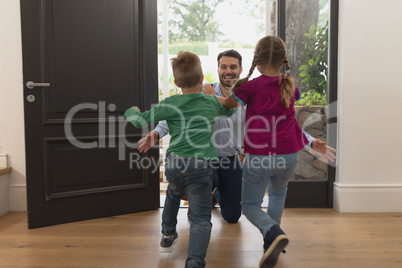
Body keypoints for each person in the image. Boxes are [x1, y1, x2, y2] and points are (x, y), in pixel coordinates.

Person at [138, 49, 336, 226]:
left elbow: (282, 123)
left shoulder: (250, 95)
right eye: (223, 67)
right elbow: (175, 114)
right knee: (196, 180)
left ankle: (216, 194)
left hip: (231, 159)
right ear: (217, 70)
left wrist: (310, 141)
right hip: (204, 158)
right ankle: (201, 199)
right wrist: (156, 132)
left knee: (232, 216)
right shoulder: (202, 90)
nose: (228, 71)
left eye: (233, 67)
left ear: (241, 69)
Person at [216, 36, 336, 268]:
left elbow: (227, 104)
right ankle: (269, 243)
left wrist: (212, 97)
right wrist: (310, 143)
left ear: (256, 61)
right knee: (278, 195)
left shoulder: (250, 87)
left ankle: (272, 232)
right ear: (283, 60)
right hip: (288, 156)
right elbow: (289, 122)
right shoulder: (290, 86)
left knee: (249, 205)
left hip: (260, 157)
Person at [124, 51, 235, 268]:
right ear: (202, 78)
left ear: (176, 82)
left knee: (173, 195)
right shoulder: (210, 102)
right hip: (200, 165)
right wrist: (216, 97)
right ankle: (194, 262)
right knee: (201, 218)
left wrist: (132, 111)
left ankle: (167, 236)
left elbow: (139, 121)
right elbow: (230, 111)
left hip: (174, 162)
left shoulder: (170, 103)